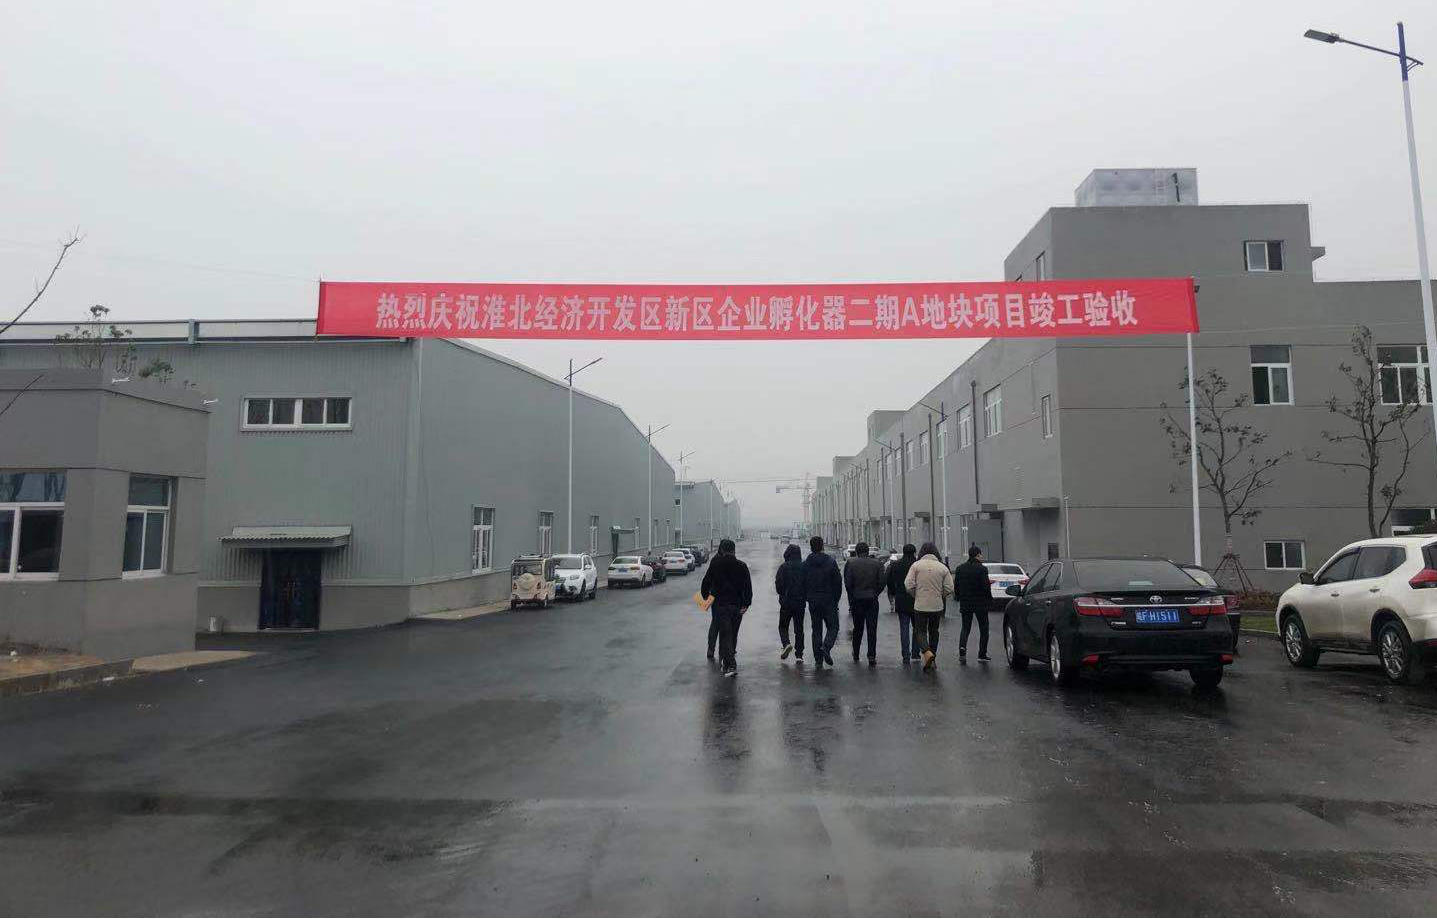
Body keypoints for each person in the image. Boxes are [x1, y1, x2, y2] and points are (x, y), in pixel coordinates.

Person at [700, 538, 752, 677]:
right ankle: (728, 660)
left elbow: (706, 583)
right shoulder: (742, 566)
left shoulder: (716, 565)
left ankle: (731, 664)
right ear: (734, 550)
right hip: (737, 606)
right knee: (732, 634)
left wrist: (706, 597)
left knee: (725, 633)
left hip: (720, 605)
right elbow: (748, 587)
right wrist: (746, 604)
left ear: (722, 550)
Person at [904, 541, 953, 672]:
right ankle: (932, 658)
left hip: (920, 605)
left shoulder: (916, 566)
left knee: (919, 631)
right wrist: (940, 595)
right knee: (934, 631)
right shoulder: (942, 567)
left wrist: (916, 595)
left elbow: (908, 584)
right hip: (937, 605)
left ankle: (927, 652)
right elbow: (949, 587)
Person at [802, 535, 843, 667]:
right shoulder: (830, 562)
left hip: (813, 601)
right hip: (829, 600)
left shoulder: (806, 564)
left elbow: (802, 583)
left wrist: (807, 597)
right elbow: (838, 582)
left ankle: (818, 660)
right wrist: (836, 599)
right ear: (822, 546)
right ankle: (826, 646)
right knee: (833, 627)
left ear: (811, 547)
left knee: (816, 630)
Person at [843, 542, 885, 665]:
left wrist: (852, 596)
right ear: (867, 551)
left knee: (858, 628)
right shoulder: (877, 563)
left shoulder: (851, 563)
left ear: (856, 551)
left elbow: (848, 583)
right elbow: (882, 582)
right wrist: (875, 593)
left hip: (857, 599)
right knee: (872, 628)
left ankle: (856, 653)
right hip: (872, 600)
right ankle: (871, 656)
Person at [955, 544, 993, 662]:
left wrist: (958, 597)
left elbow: (956, 585)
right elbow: (986, 587)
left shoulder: (960, 568)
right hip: (981, 603)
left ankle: (962, 650)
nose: (981, 557)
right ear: (977, 555)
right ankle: (982, 654)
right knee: (984, 629)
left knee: (965, 628)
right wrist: (989, 600)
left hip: (966, 602)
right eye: (981, 555)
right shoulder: (982, 569)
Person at [886, 543, 919, 662]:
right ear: (914, 552)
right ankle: (916, 653)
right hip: (916, 599)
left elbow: (889, 581)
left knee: (904, 627)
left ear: (903, 552)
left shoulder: (895, 565)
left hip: (901, 598)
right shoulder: (918, 565)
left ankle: (905, 655)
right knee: (917, 628)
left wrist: (894, 592)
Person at [775, 542, 807, 662]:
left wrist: (783, 593)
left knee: (783, 626)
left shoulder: (783, 567)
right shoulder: (803, 567)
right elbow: (807, 584)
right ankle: (799, 655)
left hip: (786, 602)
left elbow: (778, 585)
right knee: (799, 629)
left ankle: (786, 644)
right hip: (800, 602)